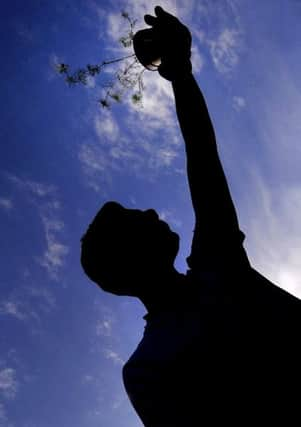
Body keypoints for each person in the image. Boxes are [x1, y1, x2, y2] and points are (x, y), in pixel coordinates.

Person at [81, 6, 300, 426]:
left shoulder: (213, 269)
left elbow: (204, 157)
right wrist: (179, 74)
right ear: (128, 259)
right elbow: (201, 159)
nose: (149, 209)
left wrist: (181, 73)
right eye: (134, 219)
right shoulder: (149, 368)